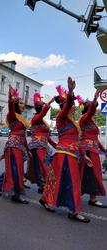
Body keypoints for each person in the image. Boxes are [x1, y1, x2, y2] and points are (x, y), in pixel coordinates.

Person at [40, 77, 91, 223]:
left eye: (74, 104)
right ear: (66, 106)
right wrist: (71, 91)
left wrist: (84, 155)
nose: (74, 106)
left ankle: (45, 199)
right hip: (63, 155)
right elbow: (68, 104)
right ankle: (74, 211)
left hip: (70, 154)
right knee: (73, 181)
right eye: (72, 104)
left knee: (57, 180)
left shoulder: (74, 123)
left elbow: (77, 141)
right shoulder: (61, 118)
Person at [0, 85, 30, 203]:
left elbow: (23, 134)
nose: (23, 105)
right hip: (13, 145)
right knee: (16, 170)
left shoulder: (22, 118)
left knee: (15, 169)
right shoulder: (12, 115)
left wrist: (28, 149)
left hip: (20, 146)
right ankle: (16, 194)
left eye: (23, 103)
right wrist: (10, 97)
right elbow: (10, 107)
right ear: (15, 104)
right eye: (20, 103)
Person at [78, 91, 107, 208]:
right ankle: (76, 197)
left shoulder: (91, 121)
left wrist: (104, 150)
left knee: (92, 175)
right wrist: (95, 100)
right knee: (87, 175)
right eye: (92, 106)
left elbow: (96, 139)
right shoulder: (84, 118)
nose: (94, 109)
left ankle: (92, 198)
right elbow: (90, 112)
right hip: (87, 151)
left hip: (93, 150)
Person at [26, 93, 56, 193]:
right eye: (42, 105)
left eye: (43, 105)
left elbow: (47, 137)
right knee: (44, 166)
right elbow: (43, 113)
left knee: (42, 166)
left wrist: (57, 146)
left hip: (43, 145)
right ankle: (46, 185)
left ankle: (42, 185)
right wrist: (49, 103)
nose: (43, 106)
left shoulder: (42, 121)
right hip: (37, 146)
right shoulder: (35, 118)